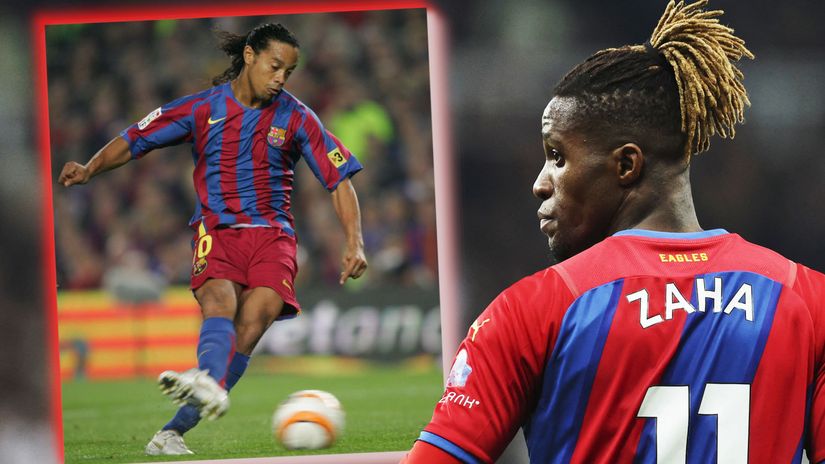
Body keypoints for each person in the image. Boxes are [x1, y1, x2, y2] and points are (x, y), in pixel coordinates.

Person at [404, 1, 825, 463]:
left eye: (557, 157)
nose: (540, 182)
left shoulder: (533, 311)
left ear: (626, 165)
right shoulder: (807, 301)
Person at [58, 22, 368, 456]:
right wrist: (90, 168)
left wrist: (354, 241)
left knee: (252, 324)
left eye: (289, 71)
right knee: (220, 304)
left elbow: (339, 179)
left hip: (273, 237)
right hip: (217, 230)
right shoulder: (203, 108)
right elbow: (136, 138)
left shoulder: (297, 116)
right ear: (250, 56)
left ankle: (173, 429)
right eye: (275, 66)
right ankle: (201, 388)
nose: (281, 78)